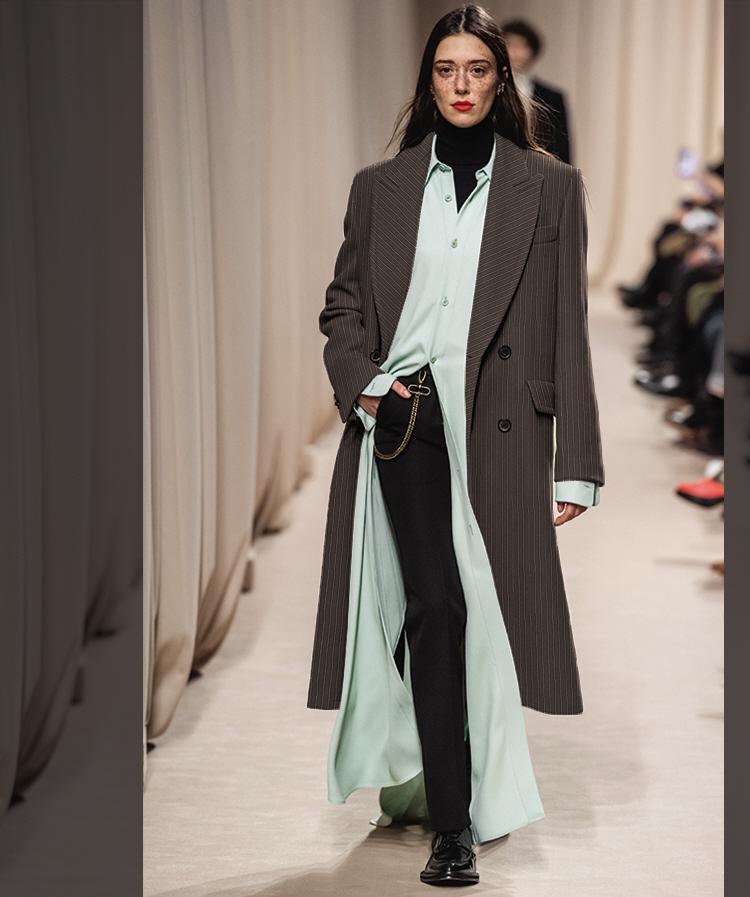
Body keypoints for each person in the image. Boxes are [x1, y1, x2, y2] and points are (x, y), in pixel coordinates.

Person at [309, 4, 605, 887]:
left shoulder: (549, 186)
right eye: (446, 70)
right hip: (407, 419)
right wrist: (367, 382)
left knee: (487, 613)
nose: (462, 85)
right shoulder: (381, 187)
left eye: (477, 69)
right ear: (428, 81)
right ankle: (453, 823)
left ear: (500, 78)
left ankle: (458, 782)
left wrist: (578, 463)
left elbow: (568, 325)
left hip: (502, 424)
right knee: (434, 606)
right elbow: (343, 305)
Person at [502, 17, 575, 165]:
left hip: (540, 169)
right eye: (509, 45)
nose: (515, 52)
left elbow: (562, 145)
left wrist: (564, 175)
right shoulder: (491, 90)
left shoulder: (552, 97)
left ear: (532, 51)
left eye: (521, 46)